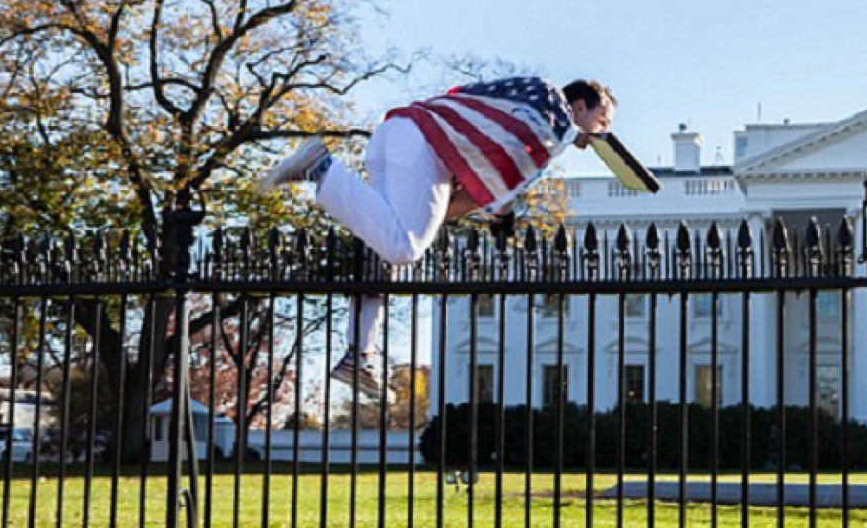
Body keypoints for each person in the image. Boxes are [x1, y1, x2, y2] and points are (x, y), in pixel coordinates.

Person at [259, 77, 617, 400]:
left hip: (397, 132)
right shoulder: (550, 111)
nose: (602, 134)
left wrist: (496, 211)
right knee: (404, 248)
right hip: (423, 144)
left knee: (385, 243)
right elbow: (513, 174)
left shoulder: (520, 118)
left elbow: (465, 200)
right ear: (580, 107)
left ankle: (361, 352)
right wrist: (505, 210)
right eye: (602, 121)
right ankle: (322, 167)